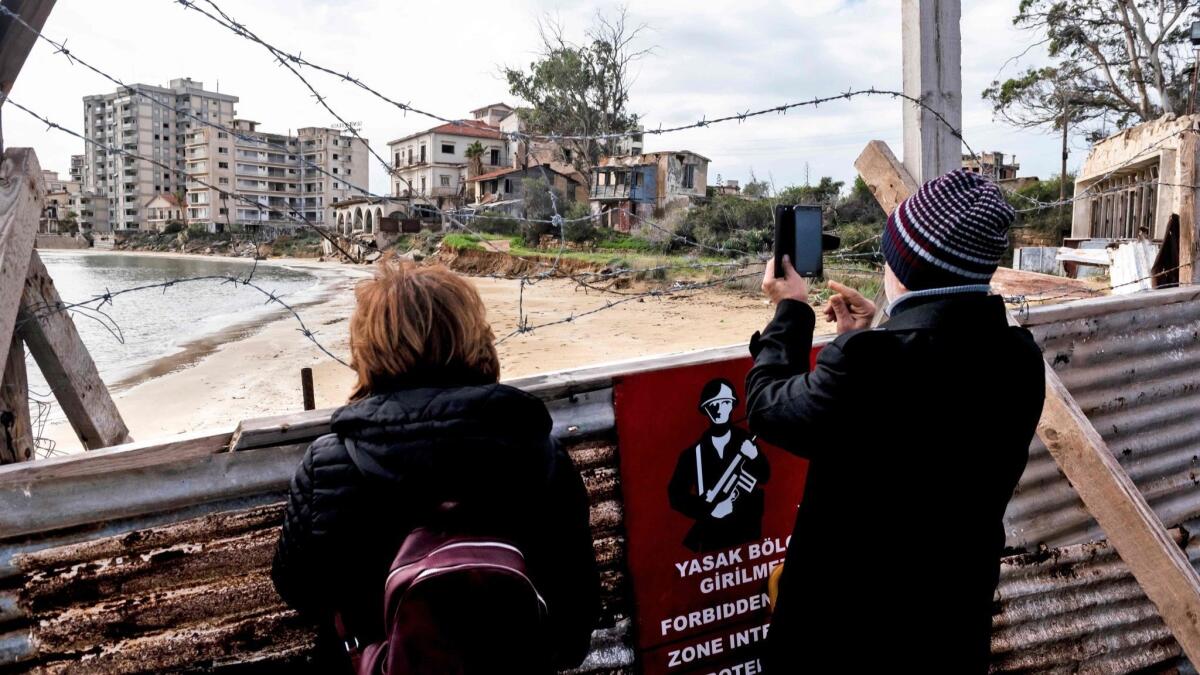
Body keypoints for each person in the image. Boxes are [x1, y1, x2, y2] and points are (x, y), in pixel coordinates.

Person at [747, 169, 1045, 671]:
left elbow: (770, 408)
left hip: (845, 638)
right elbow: (927, 392)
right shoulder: (1018, 356)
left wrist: (791, 311)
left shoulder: (871, 364)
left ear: (903, 263)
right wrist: (871, 334)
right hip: (949, 628)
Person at [272, 262, 599, 673]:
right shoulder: (541, 453)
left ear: (367, 350)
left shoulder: (328, 463)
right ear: (476, 339)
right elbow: (577, 617)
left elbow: (298, 588)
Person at [668, 378, 770, 552]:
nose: (719, 409)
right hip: (713, 538)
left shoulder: (746, 441)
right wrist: (711, 510)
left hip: (749, 535)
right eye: (713, 404)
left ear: (732, 405)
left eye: (724, 402)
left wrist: (754, 456)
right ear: (705, 409)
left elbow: (765, 476)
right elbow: (675, 495)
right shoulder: (693, 453)